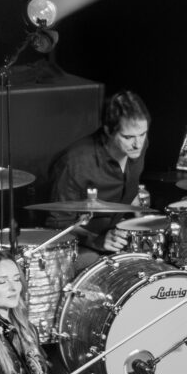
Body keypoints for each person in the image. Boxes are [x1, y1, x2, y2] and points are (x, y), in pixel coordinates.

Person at [48, 89, 153, 257]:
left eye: (142, 134)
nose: (138, 144)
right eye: (128, 137)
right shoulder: (74, 163)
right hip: (79, 245)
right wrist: (96, 240)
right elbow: (57, 224)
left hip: (117, 234)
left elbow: (130, 187)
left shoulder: (138, 147)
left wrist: (143, 220)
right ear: (108, 131)